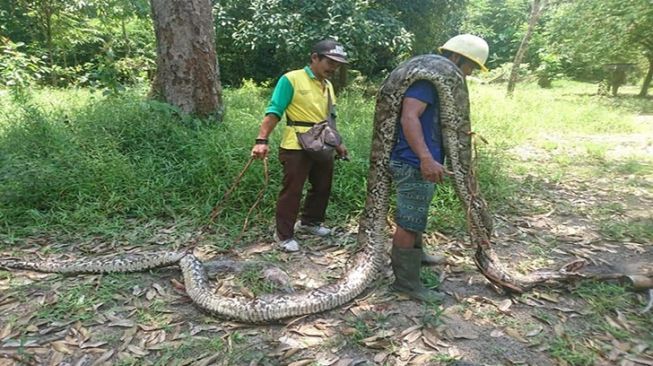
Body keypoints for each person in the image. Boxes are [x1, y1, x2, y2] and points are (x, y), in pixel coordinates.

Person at [389, 34, 489, 302]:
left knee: (417, 213)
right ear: (456, 58)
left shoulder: (438, 81)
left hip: (424, 161)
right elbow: (409, 117)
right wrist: (424, 158)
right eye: (469, 67)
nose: (467, 74)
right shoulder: (425, 82)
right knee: (409, 222)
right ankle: (406, 284)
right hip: (412, 161)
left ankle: (417, 257)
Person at [251, 39, 349, 252]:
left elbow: (330, 118)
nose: (334, 68)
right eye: (330, 62)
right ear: (315, 58)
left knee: (322, 186)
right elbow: (275, 110)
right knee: (292, 190)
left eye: (337, 64)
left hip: (323, 142)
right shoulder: (292, 79)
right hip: (296, 143)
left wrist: (339, 144)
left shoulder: (328, 85)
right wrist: (261, 140)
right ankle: (283, 235)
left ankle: (311, 223)